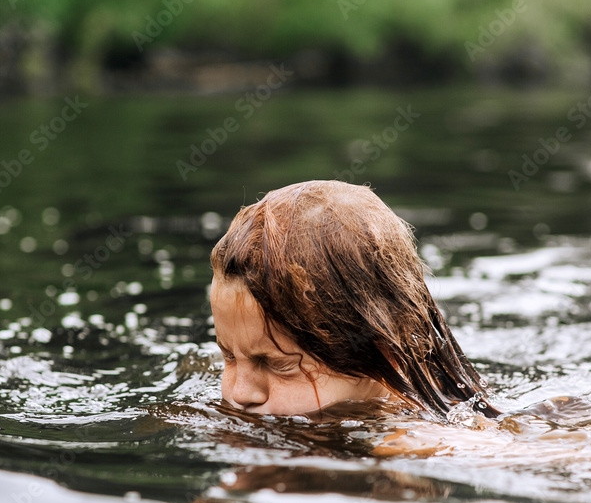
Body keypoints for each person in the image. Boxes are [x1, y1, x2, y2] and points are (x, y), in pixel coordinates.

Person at [208, 179, 501, 420]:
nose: (239, 393)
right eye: (229, 355)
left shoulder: (433, 444)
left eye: (275, 363)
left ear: (383, 349)